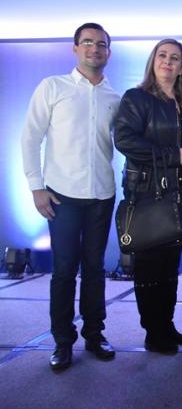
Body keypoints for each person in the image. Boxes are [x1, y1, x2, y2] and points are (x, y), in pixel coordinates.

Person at [21, 23, 119, 370]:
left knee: (95, 268)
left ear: (108, 52)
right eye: (87, 42)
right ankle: (63, 341)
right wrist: (36, 186)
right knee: (64, 270)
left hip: (102, 195)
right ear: (75, 48)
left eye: (101, 44)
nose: (94, 48)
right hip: (61, 196)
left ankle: (95, 334)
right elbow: (30, 138)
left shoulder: (115, 98)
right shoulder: (52, 87)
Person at [114, 39, 182, 353]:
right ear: (153, 61)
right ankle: (153, 332)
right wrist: (173, 156)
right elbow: (124, 140)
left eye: (174, 57)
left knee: (169, 268)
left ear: (181, 67)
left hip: (178, 195)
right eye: (162, 55)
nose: (168, 61)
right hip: (148, 192)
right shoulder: (137, 98)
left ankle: (167, 325)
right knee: (149, 268)